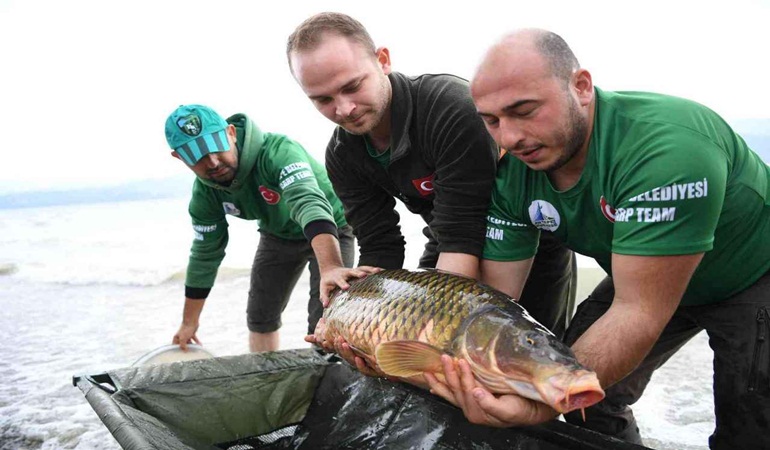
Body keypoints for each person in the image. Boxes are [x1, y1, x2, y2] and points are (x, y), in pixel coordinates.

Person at [424, 29, 770, 450]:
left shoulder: (666, 150)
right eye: (492, 121)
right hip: (638, 275)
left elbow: (638, 310)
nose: (509, 138)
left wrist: (547, 399)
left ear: (581, 87)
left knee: (750, 427)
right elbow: (492, 303)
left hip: (752, 272)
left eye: (524, 110)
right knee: (589, 405)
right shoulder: (511, 172)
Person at [286, 13, 577, 344]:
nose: (345, 109)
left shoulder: (451, 108)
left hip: (527, 243)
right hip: (447, 243)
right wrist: (355, 319)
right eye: (323, 100)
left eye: (352, 86)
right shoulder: (342, 155)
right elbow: (382, 248)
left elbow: (463, 233)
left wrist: (429, 338)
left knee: (536, 356)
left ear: (382, 61)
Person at [165, 104, 373, 353]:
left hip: (331, 226)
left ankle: (330, 378)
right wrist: (189, 322)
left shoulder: (278, 152)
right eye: (196, 156)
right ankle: (267, 378)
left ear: (231, 133)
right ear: (178, 157)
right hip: (278, 234)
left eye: (215, 147)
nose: (212, 162)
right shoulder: (205, 194)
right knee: (260, 314)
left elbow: (307, 202)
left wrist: (331, 267)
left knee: (324, 321)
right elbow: (205, 254)